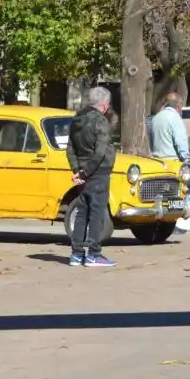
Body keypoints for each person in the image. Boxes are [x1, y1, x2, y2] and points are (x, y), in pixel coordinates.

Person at [65, 86, 118, 267]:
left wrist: (77, 171)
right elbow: (100, 152)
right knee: (97, 213)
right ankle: (94, 254)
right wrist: (86, 172)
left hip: (82, 172)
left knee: (82, 212)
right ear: (104, 104)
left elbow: (69, 149)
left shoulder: (77, 118)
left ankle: (76, 253)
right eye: (108, 104)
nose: (108, 107)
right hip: (98, 173)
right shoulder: (100, 121)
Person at [149, 92, 190, 224]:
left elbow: (151, 141)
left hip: (157, 162)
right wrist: (188, 161)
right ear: (178, 106)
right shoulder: (175, 119)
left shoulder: (155, 118)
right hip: (173, 161)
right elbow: (180, 143)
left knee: (166, 192)